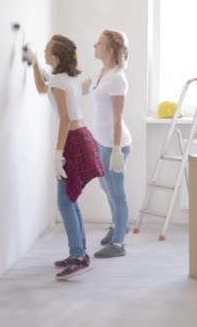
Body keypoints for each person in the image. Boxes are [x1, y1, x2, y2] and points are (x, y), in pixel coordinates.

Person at [27, 35, 104, 279]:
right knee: (70, 198)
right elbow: (42, 87)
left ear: (56, 56)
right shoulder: (65, 78)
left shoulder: (60, 81)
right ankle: (78, 253)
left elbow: (65, 118)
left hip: (73, 139)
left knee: (65, 201)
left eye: (47, 50)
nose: (45, 51)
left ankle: (79, 256)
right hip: (80, 136)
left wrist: (58, 153)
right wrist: (35, 63)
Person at [82, 30, 132, 258]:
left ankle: (119, 243)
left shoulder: (117, 78)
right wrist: (51, 77)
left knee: (117, 192)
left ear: (110, 49)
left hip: (115, 145)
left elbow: (117, 118)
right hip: (102, 141)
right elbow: (80, 88)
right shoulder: (102, 72)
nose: (95, 45)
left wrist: (116, 149)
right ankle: (117, 226)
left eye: (99, 43)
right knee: (105, 187)